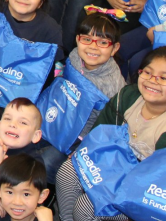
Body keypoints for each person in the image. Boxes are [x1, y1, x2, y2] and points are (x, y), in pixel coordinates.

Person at [56, 46, 166, 221]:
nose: (152, 81)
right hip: (111, 165)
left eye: (164, 78)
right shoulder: (129, 96)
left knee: (85, 207)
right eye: (148, 72)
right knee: (66, 172)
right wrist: (84, 152)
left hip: (139, 191)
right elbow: (101, 129)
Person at [36, 13, 125, 183]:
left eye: (103, 42)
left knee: (45, 163)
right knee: (21, 139)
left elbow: (108, 128)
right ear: (77, 39)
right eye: (86, 39)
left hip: (79, 137)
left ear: (114, 48)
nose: (93, 47)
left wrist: (84, 148)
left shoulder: (113, 87)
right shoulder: (76, 55)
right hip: (58, 112)